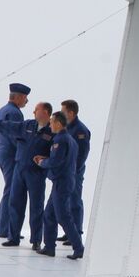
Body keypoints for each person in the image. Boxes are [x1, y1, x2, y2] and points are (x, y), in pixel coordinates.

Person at [0, 101, 55, 250]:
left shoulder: (52, 131)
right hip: (20, 170)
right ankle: (13, 237)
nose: (33, 112)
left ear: (45, 112)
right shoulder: (27, 126)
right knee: (15, 204)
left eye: (36, 110)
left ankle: (36, 240)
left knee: (36, 207)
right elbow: (5, 126)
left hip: (36, 173)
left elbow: (56, 153)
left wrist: (46, 165)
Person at [0, 83, 29, 238]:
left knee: (9, 190)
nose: (26, 101)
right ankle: (6, 229)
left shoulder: (3, 110)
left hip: (2, 152)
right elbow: (15, 136)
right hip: (11, 154)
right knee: (12, 191)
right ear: (20, 97)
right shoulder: (14, 113)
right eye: (25, 98)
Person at [35, 111, 83, 259]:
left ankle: (78, 247)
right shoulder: (68, 139)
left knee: (63, 217)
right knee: (49, 215)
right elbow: (62, 158)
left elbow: (56, 161)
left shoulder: (60, 140)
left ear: (58, 123)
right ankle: (49, 247)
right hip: (62, 181)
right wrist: (47, 158)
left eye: (51, 122)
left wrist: (42, 162)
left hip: (62, 183)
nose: (49, 124)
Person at [57, 99, 91, 246]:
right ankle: (69, 232)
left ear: (71, 113)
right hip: (67, 171)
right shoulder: (66, 127)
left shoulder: (80, 130)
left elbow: (83, 154)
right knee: (68, 201)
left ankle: (76, 232)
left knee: (75, 201)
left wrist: (73, 171)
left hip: (74, 172)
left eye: (63, 111)